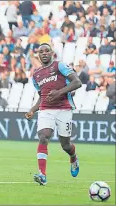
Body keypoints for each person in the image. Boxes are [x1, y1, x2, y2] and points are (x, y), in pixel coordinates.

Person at [25, 43, 82, 186]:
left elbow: (77, 82)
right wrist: (32, 109)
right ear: (38, 55)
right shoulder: (36, 75)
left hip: (64, 109)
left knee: (65, 145)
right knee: (43, 136)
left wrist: (59, 92)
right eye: (41, 51)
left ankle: (73, 158)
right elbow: (42, 96)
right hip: (45, 110)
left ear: (52, 53)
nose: (44, 53)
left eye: (47, 51)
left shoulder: (59, 66)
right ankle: (42, 175)